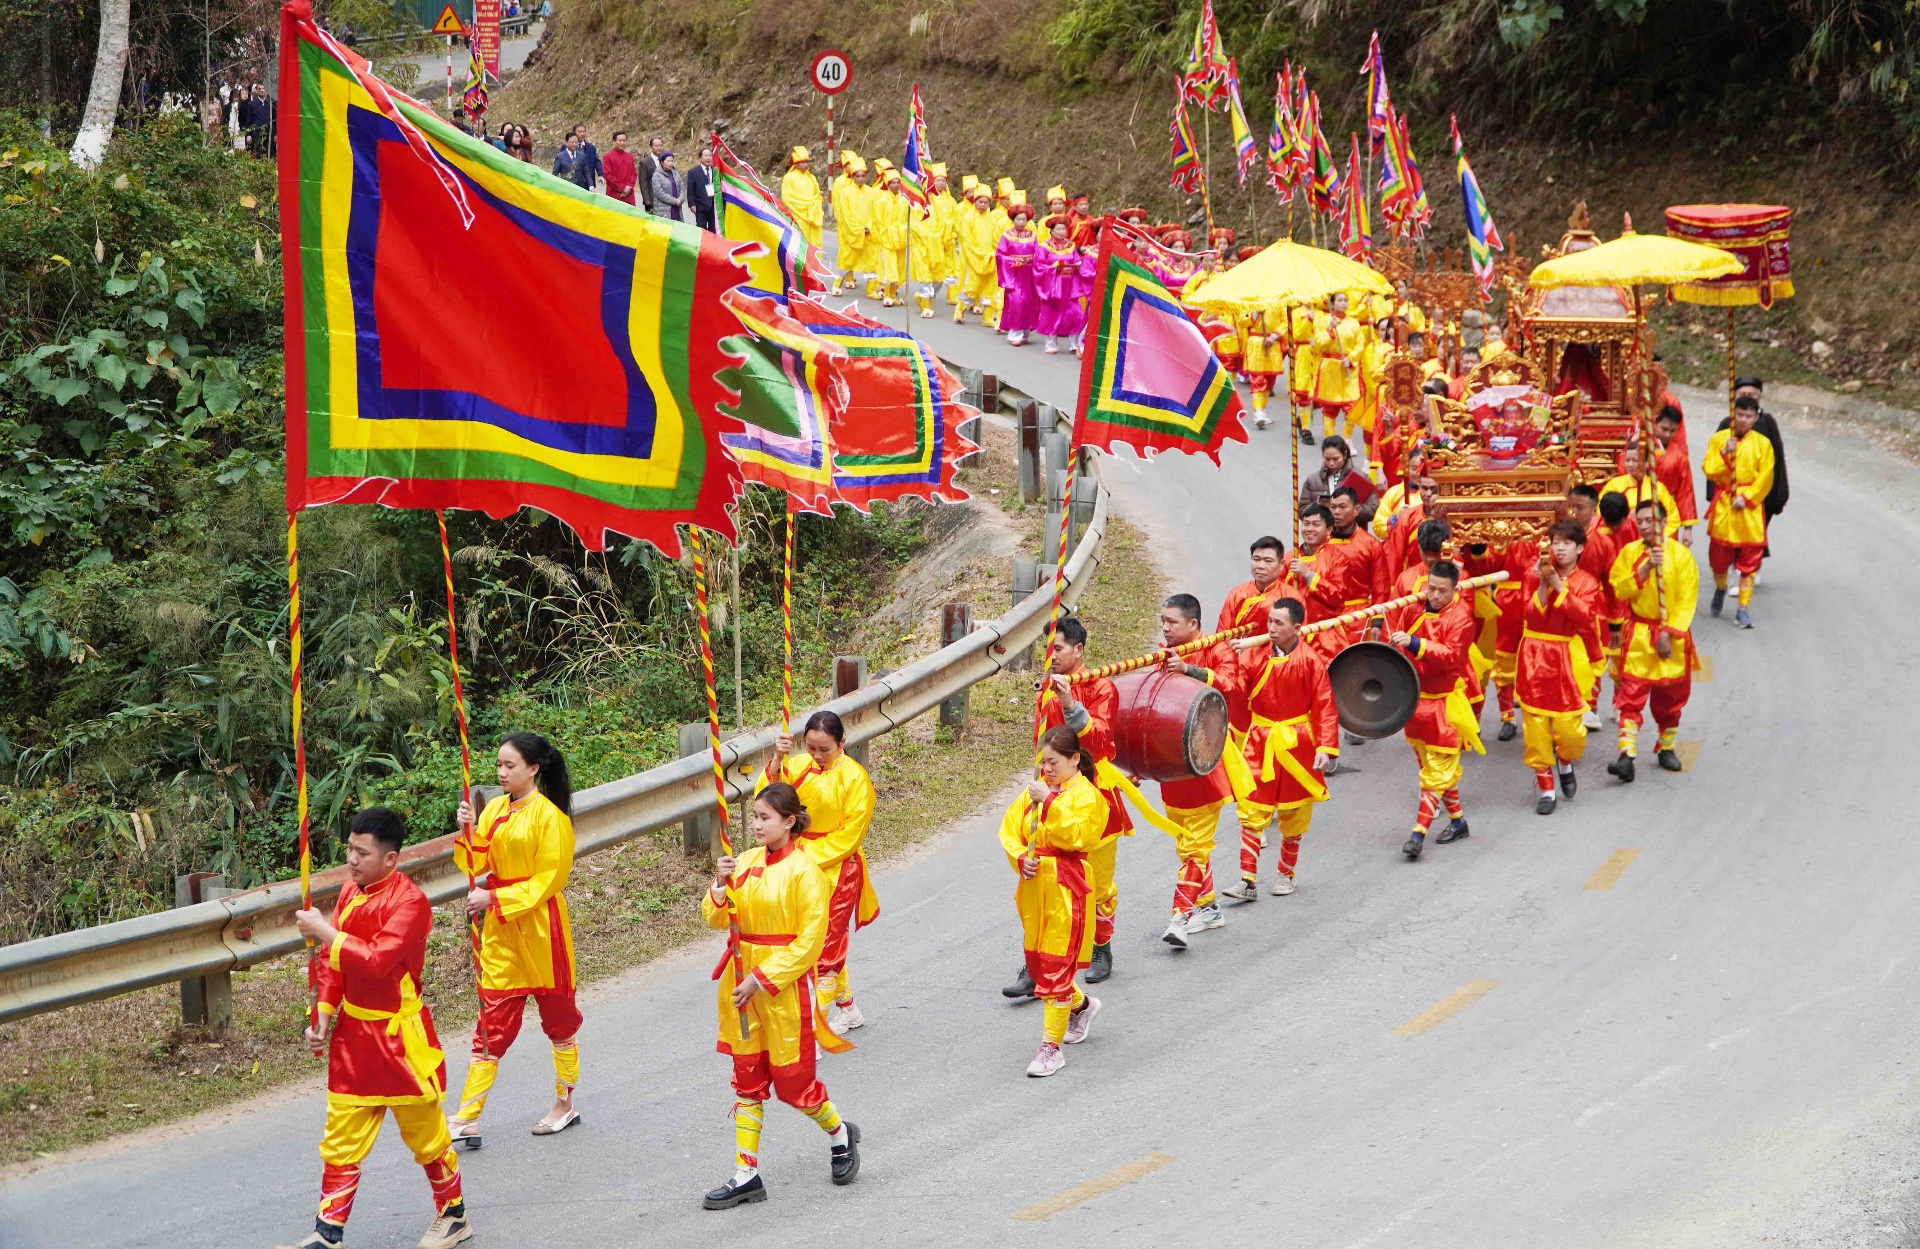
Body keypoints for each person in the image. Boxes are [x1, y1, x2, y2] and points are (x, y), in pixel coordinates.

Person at [285, 808, 469, 1249]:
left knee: (427, 1138)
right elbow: (335, 965)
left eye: (362, 853)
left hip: (400, 1040)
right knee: (340, 1139)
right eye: (349, 848)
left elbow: (375, 960)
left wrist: (324, 930)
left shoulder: (411, 904)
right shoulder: (350, 890)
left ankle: (454, 1215)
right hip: (353, 1038)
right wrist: (323, 1015)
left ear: (390, 859)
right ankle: (328, 1232)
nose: (351, 859)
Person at [700, 782, 861, 1208]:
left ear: (789, 821)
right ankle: (746, 1173)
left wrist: (762, 977)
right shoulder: (744, 862)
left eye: (764, 817)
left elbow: (810, 942)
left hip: (782, 988)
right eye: (754, 817)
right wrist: (720, 884)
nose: (755, 825)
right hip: (739, 982)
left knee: (794, 1084)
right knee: (747, 1080)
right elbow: (716, 919)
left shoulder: (806, 872)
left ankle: (840, 1134)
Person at [448, 734, 581, 1147]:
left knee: (559, 1021)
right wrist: (468, 830)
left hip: (543, 931)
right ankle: (468, 1116)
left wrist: (494, 898)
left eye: (510, 765)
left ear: (533, 769)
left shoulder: (551, 818)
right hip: (503, 934)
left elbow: (548, 880)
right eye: (499, 765)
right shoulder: (494, 811)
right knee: (491, 1023)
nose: (501, 773)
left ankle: (565, 1102)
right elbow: (475, 863)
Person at [758, 711, 878, 1035]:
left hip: (839, 871)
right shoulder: (796, 766)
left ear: (842, 743)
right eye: (811, 747)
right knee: (811, 941)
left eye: (824, 749)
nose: (817, 755)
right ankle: (848, 1008)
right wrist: (777, 760)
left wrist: (804, 855)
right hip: (800, 869)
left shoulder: (855, 779)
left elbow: (850, 835)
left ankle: (811, 1029)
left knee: (826, 945)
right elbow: (769, 800)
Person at [1025, 616, 1128, 989]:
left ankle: (1101, 947)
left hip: (1094, 796)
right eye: (1048, 649)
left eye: (1059, 648)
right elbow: (1042, 747)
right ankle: (1039, 961)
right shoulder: (1046, 692)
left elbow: (1099, 743)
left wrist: (1070, 703)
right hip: (1053, 795)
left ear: (1078, 649)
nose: (1051, 656)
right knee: (1048, 878)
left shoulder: (1102, 688)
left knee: (1097, 881)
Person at [1001, 726, 1107, 1078]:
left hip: (1066, 886)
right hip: (1035, 889)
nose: (1047, 769)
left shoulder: (1088, 796)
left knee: (1058, 966)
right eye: (1043, 762)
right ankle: (1082, 1005)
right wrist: (1020, 858)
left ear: (1075, 759)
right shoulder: (1034, 791)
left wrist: (1049, 801)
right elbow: (1010, 830)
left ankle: (1051, 1048)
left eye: (1054, 762)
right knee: (1039, 966)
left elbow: (1078, 835)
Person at [1232, 598, 1339, 891]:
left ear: (1296, 627)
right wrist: (1229, 664)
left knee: (1294, 813)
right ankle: (1247, 879)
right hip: (1260, 740)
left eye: (1279, 623)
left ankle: (1286, 874)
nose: (1271, 628)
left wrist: (1325, 748)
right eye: (1270, 621)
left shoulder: (1311, 660)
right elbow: (1236, 691)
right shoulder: (1253, 656)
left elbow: (1324, 705)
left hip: (1297, 742)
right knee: (1251, 807)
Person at [1154, 595, 1242, 937]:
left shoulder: (1218, 649)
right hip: (1172, 767)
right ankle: (1208, 909)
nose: (1165, 627)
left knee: (1195, 848)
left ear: (1193, 624)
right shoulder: (1164, 655)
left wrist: (1190, 670)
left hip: (1206, 763)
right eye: (1162, 620)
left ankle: (1179, 918)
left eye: (1171, 622)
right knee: (1187, 846)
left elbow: (1231, 685)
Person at [1385, 561, 1478, 859]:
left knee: (1437, 771)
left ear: (1455, 589)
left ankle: (1418, 834)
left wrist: (1414, 642)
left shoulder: (1462, 617)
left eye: (1442, 591)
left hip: (1445, 703)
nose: (1435, 596)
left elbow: (1451, 656)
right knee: (1432, 767)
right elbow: (1399, 643)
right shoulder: (1413, 607)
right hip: (1415, 700)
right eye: (1431, 589)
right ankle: (1458, 821)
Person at [1517, 519, 1605, 815]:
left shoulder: (1588, 582)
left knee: (1571, 732)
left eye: (1567, 543)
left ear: (1579, 548)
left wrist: (1559, 587)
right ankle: (1546, 788)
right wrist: (1543, 583)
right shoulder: (1532, 573)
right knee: (1536, 728)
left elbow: (1585, 618)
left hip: (1566, 656)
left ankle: (1565, 761)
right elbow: (1528, 614)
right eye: (1556, 542)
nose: (1560, 548)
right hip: (1533, 654)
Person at [1607, 500, 1698, 780]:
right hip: (1639, 635)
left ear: (1664, 522)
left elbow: (1686, 602)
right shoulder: (1630, 553)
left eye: (1650, 520)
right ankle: (1626, 756)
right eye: (1640, 520)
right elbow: (1619, 589)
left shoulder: (1681, 556)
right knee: (1630, 697)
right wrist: (1646, 569)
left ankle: (1666, 746)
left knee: (1670, 700)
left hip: (1671, 636)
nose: (1644, 526)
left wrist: (1667, 634)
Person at [1702, 395, 1776, 628]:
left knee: (1749, 559)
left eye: (1748, 416)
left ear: (1755, 418)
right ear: (1733, 415)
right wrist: (1725, 453)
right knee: (1718, 559)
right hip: (1725, 504)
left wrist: (1747, 498)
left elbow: (1766, 476)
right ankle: (1721, 586)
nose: (1743, 419)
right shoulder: (1719, 439)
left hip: (1749, 509)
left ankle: (1743, 607)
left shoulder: (1763, 444)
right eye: (1740, 414)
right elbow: (1709, 470)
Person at [1721, 376, 1790, 546]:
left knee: (1754, 539)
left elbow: (1778, 460)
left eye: (1751, 395)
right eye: (1742, 394)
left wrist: (1780, 493)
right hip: (1730, 494)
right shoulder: (1726, 424)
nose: (1747, 398)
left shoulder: (1768, 423)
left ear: (1759, 398)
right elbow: (1716, 457)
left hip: (1760, 495)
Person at [1034, 215, 1091, 353]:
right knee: (1051, 313)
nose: (1061, 232)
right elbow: (1039, 266)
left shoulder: (1071, 245)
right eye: (1058, 229)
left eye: (1063, 229)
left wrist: (1078, 266)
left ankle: (1074, 343)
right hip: (1053, 285)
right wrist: (1054, 268)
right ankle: (1051, 344)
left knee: (1074, 313)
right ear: (1051, 231)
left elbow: (1076, 261)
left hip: (1070, 284)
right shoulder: (1045, 247)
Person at [1312, 292, 1364, 443]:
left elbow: (1360, 344)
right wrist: (1329, 329)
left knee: (1351, 406)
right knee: (1330, 407)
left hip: (1348, 367)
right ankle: (1330, 440)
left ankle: (1347, 439)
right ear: (1332, 304)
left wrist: (1351, 359)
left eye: (1345, 300)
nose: (1343, 303)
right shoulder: (1324, 321)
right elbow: (1319, 344)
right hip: (1330, 368)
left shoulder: (1354, 322)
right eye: (1340, 300)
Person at [1298, 435, 1379, 526]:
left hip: (1352, 532)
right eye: (1327, 459)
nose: (1331, 463)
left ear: (1345, 455)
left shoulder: (1361, 478)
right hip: (1324, 532)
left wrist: (1349, 510)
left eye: (1335, 459)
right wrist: (1317, 506)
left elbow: (1373, 510)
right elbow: (1302, 511)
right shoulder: (1312, 481)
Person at [953, 183, 1003, 326]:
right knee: (972, 287)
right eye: (980, 202)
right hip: (974, 258)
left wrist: (995, 253)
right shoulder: (968, 218)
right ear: (975, 201)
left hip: (990, 258)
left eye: (986, 202)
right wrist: (977, 256)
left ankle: (988, 317)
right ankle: (960, 309)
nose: (983, 205)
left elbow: (995, 238)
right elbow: (966, 241)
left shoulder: (992, 219)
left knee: (990, 288)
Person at [1217, 535, 1288, 633]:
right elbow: (1222, 635)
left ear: (1281, 565)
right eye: (1256, 559)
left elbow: (1297, 638)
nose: (1261, 566)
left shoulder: (1291, 596)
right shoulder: (1237, 594)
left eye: (1268, 561)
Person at [995, 202, 1041, 346]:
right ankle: (1015, 333)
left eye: (1024, 219)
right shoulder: (1007, 236)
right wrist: (1013, 261)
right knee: (1016, 302)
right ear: (1013, 220)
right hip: (1013, 274)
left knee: (1028, 302)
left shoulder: (1032, 235)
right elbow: (1000, 255)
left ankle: (1025, 332)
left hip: (1028, 274)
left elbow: (1038, 254)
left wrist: (1030, 260)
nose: (1021, 222)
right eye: (1018, 219)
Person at [1650, 405, 1699, 540]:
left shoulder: (1680, 456)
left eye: (1672, 431)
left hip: (1668, 510)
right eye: (1664, 429)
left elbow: (1686, 491)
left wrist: (1688, 529)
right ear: (1655, 424)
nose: (1668, 435)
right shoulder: (1642, 446)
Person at [830, 156, 872, 298]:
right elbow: (845, 215)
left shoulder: (871, 192)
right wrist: (857, 229)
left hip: (868, 232)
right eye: (857, 176)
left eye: (863, 176)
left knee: (871, 259)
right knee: (847, 259)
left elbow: (875, 212)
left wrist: (869, 226)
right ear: (852, 177)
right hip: (851, 231)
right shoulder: (845, 193)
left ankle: (871, 289)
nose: (860, 179)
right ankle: (837, 284)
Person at [1241, 305, 1289, 430]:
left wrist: (1274, 336)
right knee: (1257, 379)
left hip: (1273, 344)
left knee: (1269, 380)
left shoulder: (1279, 302)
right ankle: (1258, 412)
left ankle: (1261, 410)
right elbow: (1241, 322)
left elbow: (1286, 321)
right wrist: (1254, 314)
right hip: (1256, 344)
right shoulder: (1248, 302)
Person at [868, 171, 909, 306]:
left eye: (898, 183)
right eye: (893, 183)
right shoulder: (882, 201)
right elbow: (878, 221)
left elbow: (909, 219)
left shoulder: (905, 200)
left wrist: (904, 231)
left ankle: (893, 294)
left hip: (901, 238)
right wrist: (886, 233)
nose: (896, 185)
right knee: (889, 266)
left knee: (900, 267)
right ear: (888, 184)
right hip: (887, 239)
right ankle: (887, 294)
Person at [780, 146, 824, 249]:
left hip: (812, 215)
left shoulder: (812, 178)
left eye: (807, 162)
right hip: (798, 216)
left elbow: (817, 195)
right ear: (795, 164)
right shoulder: (789, 178)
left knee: (814, 244)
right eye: (802, 162)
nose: (805, 164)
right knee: (799, 243)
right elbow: (787, 199)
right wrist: (805, 205)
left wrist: (814, 205)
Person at [602, 130, 638, 206]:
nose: (622, 143)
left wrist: (629, 187)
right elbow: (608, 175)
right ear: (614, 141)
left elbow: (633, 174)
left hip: (629, 194)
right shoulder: (608, 157)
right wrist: (622, 188)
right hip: (614, 193)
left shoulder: (630, 157)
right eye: (620, 140)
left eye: (624, 140)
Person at [688, 146, 717, 232]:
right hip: (700, 206)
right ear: (700, 158)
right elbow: (690, 189)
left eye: (710, 156)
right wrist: (691, 204)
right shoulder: (693, 172)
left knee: (714, 230)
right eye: (706, 156)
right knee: (701, 229)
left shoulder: (716, 171)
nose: (708, 158)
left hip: (714, 206)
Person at [636, 136, 665, 212]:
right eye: (656, 146)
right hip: (652, 198)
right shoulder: (645, 162)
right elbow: (643, 182)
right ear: (651, 147)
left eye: (661, 145)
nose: (659, 148)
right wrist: (646, 199)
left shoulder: (666, 160)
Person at [569, 124, 602, 190]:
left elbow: (597, 162)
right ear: (574, 133)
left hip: (588, 183)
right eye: (579, 132)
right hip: (572, 183)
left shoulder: (591, 148)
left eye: (584, 131)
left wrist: (600, 174)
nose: (582, 134)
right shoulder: (567, 147)